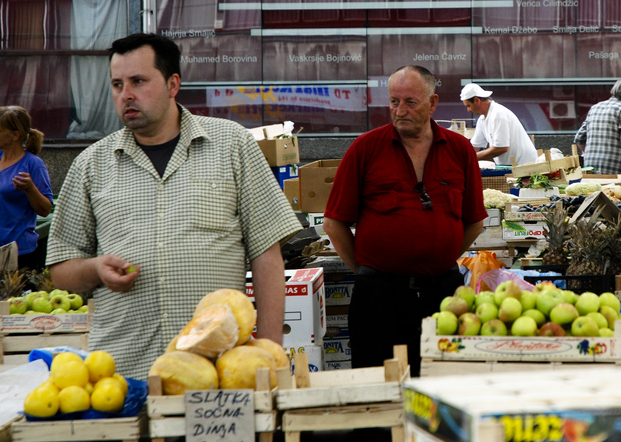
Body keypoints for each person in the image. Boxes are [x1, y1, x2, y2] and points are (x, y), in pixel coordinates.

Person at [46, 33, 301, 379]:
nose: (127, 95)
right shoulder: (91, 165)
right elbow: (60, 269)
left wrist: (270, 352)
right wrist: (95, 269)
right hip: (126, 372)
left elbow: (266, 254)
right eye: (117, 84)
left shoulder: (231, 145)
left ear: (172, 84)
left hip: (218, 373)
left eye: (138, 81)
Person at [322, 65, 487, 376]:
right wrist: (366, 270)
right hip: (379, 299)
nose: (400, 110)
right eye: (394, 102)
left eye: (410, 102)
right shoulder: (365, 148)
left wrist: (439, 255)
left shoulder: (460, 150)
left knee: (440, 388)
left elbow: (474, 221)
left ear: (433, 103)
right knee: (378, 393)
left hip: (443, 296)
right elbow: (334, 223)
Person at [0, 106, 53, 270]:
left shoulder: (33, 164)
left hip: (19, 253)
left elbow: (45, 210)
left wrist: (30, 189)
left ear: (15, 135)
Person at [460, 83, 538, 166]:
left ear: (477, 100)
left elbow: (501, 148)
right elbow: (474, 147)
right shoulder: (482, 120)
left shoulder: (498, 115)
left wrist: (472, 157)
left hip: (526, 166)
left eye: (468, 106)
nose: (468, 110)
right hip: (510, 167)